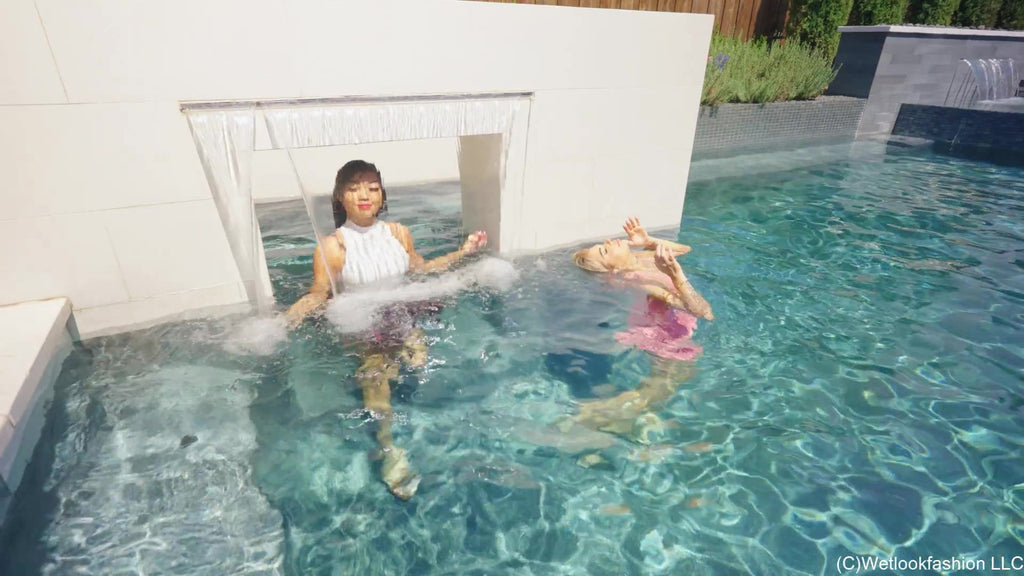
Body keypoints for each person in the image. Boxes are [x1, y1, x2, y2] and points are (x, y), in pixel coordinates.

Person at [285, 160, 486, 500]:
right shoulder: (332, 247)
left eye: (373, 188)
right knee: (377, 377)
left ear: (382, 195)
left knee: (420, 362)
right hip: (364, 323)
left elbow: (420, 268)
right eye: (354, 187)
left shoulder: (398, 233)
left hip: (403, 311)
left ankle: (432, 422)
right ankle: (389, 447)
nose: (364, 194)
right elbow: (319, 293)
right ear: (339, 197)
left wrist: (462, 253)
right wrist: (285, 321)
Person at [569, 217, 713, 442]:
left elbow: (685, 249)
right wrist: (677, 277)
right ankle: (599, 415)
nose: (608, 241)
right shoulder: (642, 281)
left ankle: (619, 420)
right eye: (605, 251)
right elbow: (702, 312)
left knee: (664, 389)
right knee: (659, 390)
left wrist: (647, 241)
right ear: (614, 270)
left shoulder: (639, 258)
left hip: (659, 325)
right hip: (665, 336)